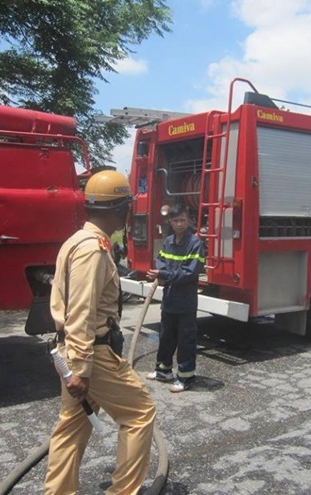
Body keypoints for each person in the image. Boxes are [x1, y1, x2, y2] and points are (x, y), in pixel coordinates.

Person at [45, 170, 156, 495]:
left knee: (72, 426)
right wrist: (80, 369)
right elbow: (81, 310)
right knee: (140, 413)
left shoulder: (77, 240)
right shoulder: (93, 249)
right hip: (92, 354)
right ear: (121, 210)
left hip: (74, 351)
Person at [146, 203, 205, 393]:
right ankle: (163, 371)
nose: (180, 224)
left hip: (186, 302)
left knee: (185, 339)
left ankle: (186, 378)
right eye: (176, 220)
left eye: (183, 220)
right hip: (170, 299)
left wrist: (165, 275)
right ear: (170, 222)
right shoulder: (168, 241)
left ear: (188, 221)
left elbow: (190, 272)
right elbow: (161, 261)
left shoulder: (195, 243)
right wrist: (159, 272)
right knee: (166, 336)